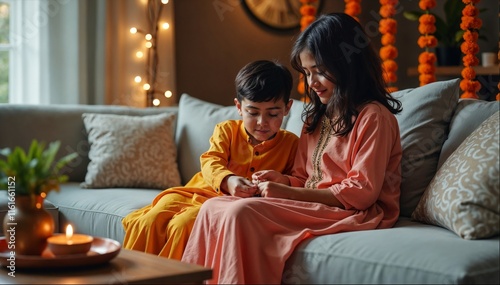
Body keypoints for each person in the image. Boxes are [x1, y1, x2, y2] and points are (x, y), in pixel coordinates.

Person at [181, 13, 403, 284]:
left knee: (242, 212)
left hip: (354, 211)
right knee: (213, 206)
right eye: (307, 73)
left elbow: (362, 193)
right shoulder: (316, 117)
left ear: (348, 64)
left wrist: (287, 192)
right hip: (313, 202)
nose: (312, 83)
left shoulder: (374, 117)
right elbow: (303, 177)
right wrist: (282, 180)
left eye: (320, 71)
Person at [122, 60, 299, 260]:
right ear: (239, 107)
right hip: (194, 191)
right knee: (150, 220)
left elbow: (299, 181)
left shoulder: (292, 144)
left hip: (223, 206)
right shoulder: (226, 130)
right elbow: (211, 161)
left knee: (184, 225)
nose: (262, 122)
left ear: (287, 108)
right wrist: (228, 180)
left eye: (273, 114)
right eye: (253, 112)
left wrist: (281, 181)